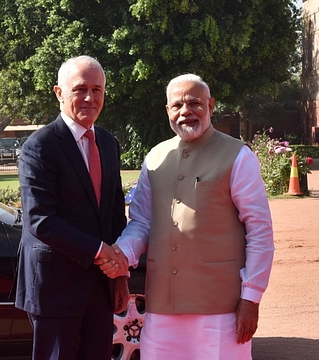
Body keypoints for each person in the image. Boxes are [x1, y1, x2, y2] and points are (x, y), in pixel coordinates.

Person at [97, 74, 275, 359]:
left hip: (220, 309)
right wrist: (121, 254)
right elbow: (142, 222)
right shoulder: (155, 157)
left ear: (211, 106)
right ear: (168, 110)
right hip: (162, 307)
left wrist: (251, 298)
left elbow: (260, 231)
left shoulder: (238, 156)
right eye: (177, 105)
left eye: (194, 103)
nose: (186, 111)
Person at [15, 55, 129, 360]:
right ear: (59, 93)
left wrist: (119, 275)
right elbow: (41, 220)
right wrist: (100, 251)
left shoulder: (107, 142)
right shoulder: (39, 146)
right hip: (56, 289)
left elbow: (115, 214)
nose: (90, 98)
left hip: (100, 288)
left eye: (98, 89)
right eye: (80, 89)